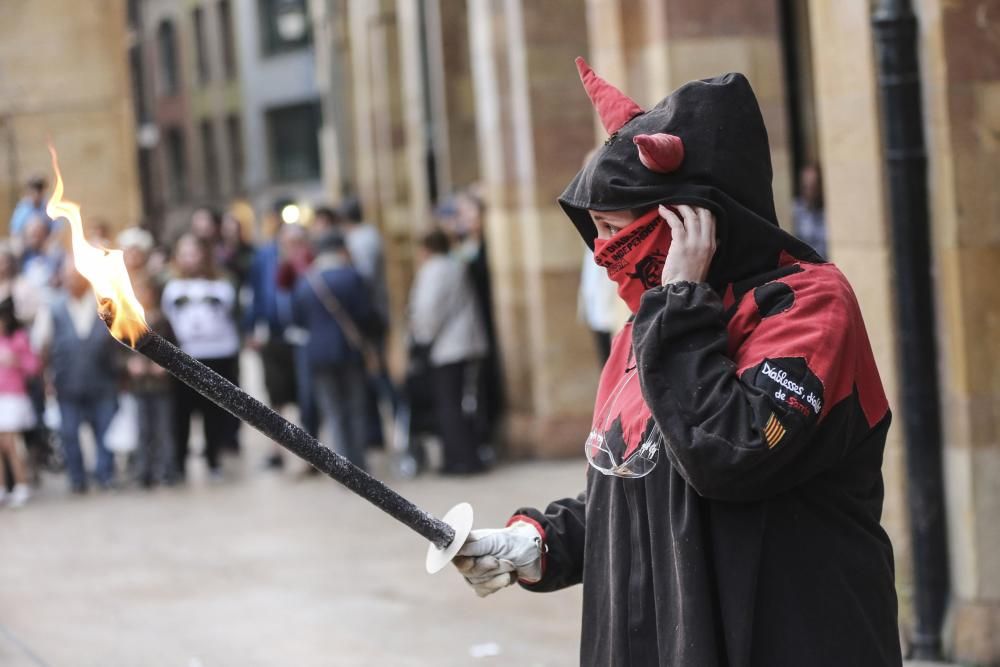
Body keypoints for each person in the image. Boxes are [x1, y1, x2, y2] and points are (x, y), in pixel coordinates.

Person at [451, 60, 901, 666]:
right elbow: (638, 489)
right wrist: (536, 542)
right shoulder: (652, 327)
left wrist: (681, 305)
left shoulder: (808, 302)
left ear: (690, 221)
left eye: (617, 229)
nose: (605, 254)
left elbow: (727, 453)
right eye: (597, 232)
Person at [32, 260, 120, 493]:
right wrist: (46, 378)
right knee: (69, 433)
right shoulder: (53, 307)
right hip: (67, 381)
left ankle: (105, 474)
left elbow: (118, 343)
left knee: (105, 432)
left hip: (102, 380)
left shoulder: (103, 304)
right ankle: (77, 478)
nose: (74, 280)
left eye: (79, 276)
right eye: (70, 276)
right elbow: (43, 345)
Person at [162, 233, 241, 480]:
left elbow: (231, 314)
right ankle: (179, 461)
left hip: (218, 354)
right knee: (181, 413)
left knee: (214, 412)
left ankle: (213, 459)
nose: (190, 259)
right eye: (184, 253)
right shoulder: (172, 288)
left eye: (194, 252)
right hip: (184, 357)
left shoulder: (222, 284)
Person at [291, 231, 373, 471]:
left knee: (333, 410)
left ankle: (342, 466)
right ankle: (360, 464)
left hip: (317, 354)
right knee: (356, 407)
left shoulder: (305, 281)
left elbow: (298, 319)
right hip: (349, 350)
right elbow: (366, 315)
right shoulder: (352, 277)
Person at [408, 229, 488, 475]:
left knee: (449, 405)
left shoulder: (434, 270)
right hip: (464, 343)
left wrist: (421, 338)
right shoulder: (454, 266)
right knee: (459, 402)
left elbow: (429, 310)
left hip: (447, 347)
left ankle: (460, 458)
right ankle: (465, 454)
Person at [245, 222, 300, 469]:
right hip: (273, 335)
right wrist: (251, 327)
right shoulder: (264, 259)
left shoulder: (307, 260)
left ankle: (308, 453)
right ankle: (277, 449)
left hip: (301, 336)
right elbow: (255, 294)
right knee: (275, 394)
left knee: (303, 396)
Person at [125, 279, 177, 488]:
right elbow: (118, 352)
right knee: (142, 430)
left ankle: (167, 470)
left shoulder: (162, 320)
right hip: (139, 385)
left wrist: (164, 365)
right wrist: (128, 364)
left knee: (164, 429)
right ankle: (143, 471)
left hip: (160, 386)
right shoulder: (128, 320)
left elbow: (175, 348)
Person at [0, 299, 41, 507]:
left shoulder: (18, 339)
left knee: (11, 444)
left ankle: (22, 484)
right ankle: (3, 487)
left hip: (13, 397)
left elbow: (33, 366)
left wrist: (16, 361)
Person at [792, 162, 827, 258]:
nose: (809, 192)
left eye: (813, 187)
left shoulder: (828, 213)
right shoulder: (795, 210)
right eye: (806, 187)